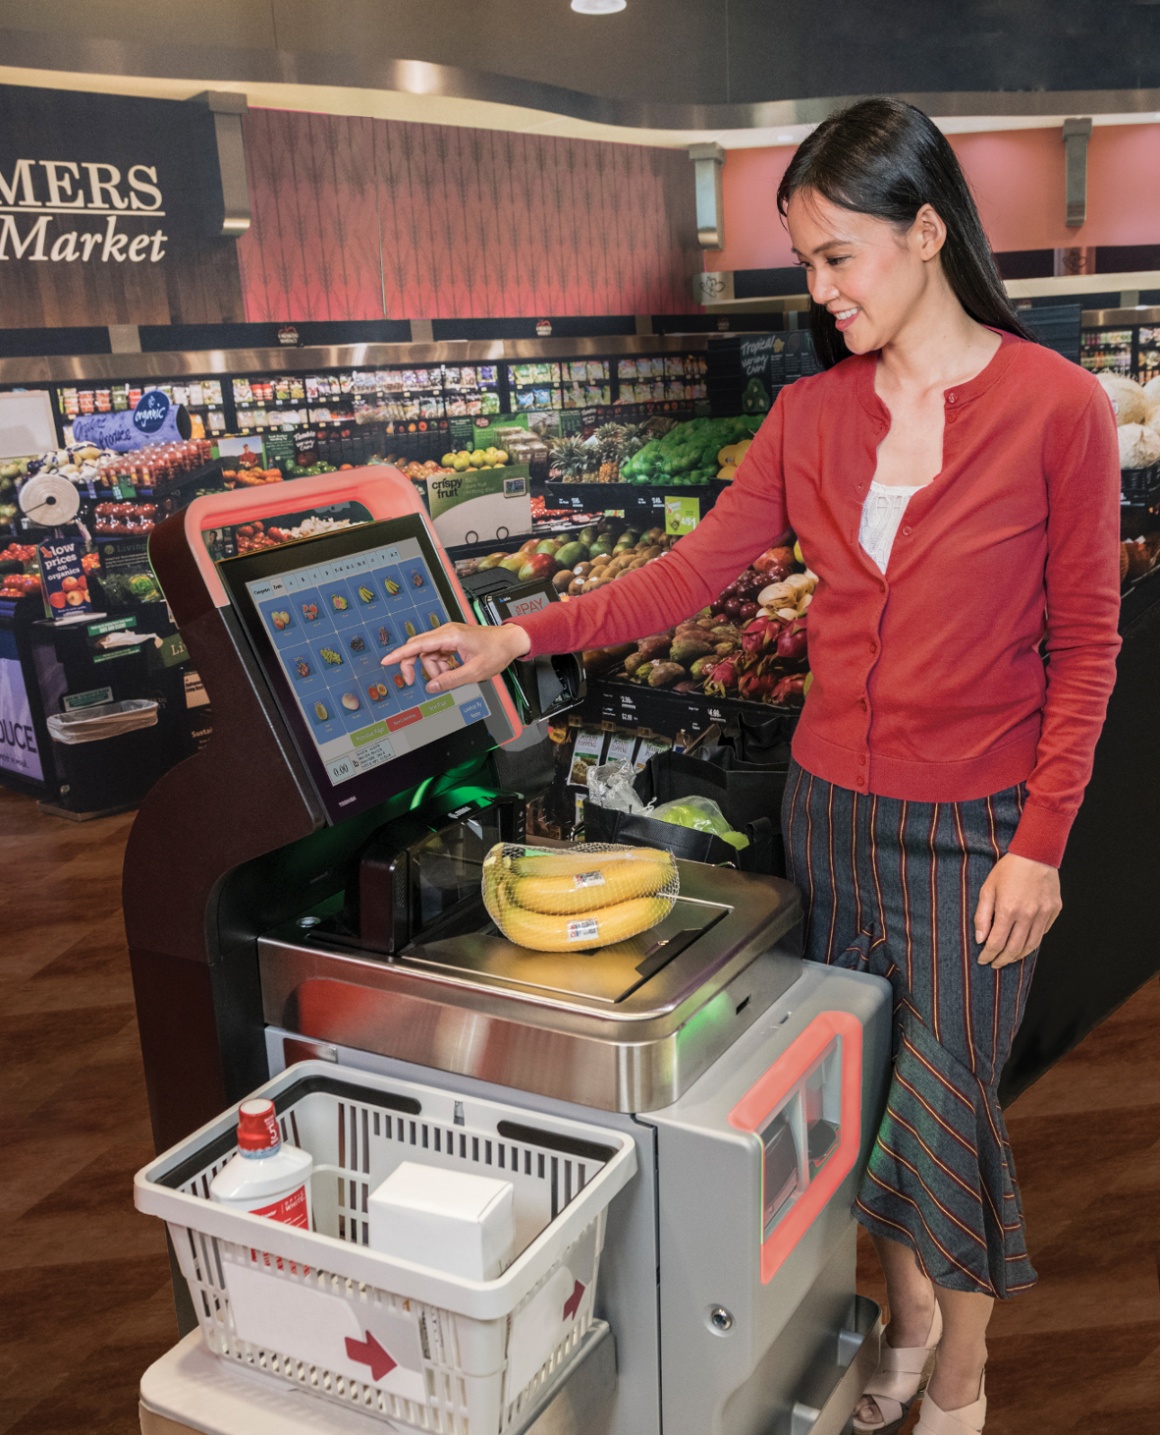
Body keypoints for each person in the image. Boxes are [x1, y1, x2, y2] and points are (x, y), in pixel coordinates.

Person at [382, 98, 1121, 1435]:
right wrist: (515, 629)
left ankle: (960, 1385)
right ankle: (902, 1321)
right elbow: (683, 576)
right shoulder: (810, 416)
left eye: (840, 256)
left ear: (928, 229)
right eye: (808, 264)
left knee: (949, 1117)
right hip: (833, 810)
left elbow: (1089, 646)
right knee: (876, 1086)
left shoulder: (1057, 408)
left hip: (978, 830)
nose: (822, 290)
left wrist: (1043, 840)